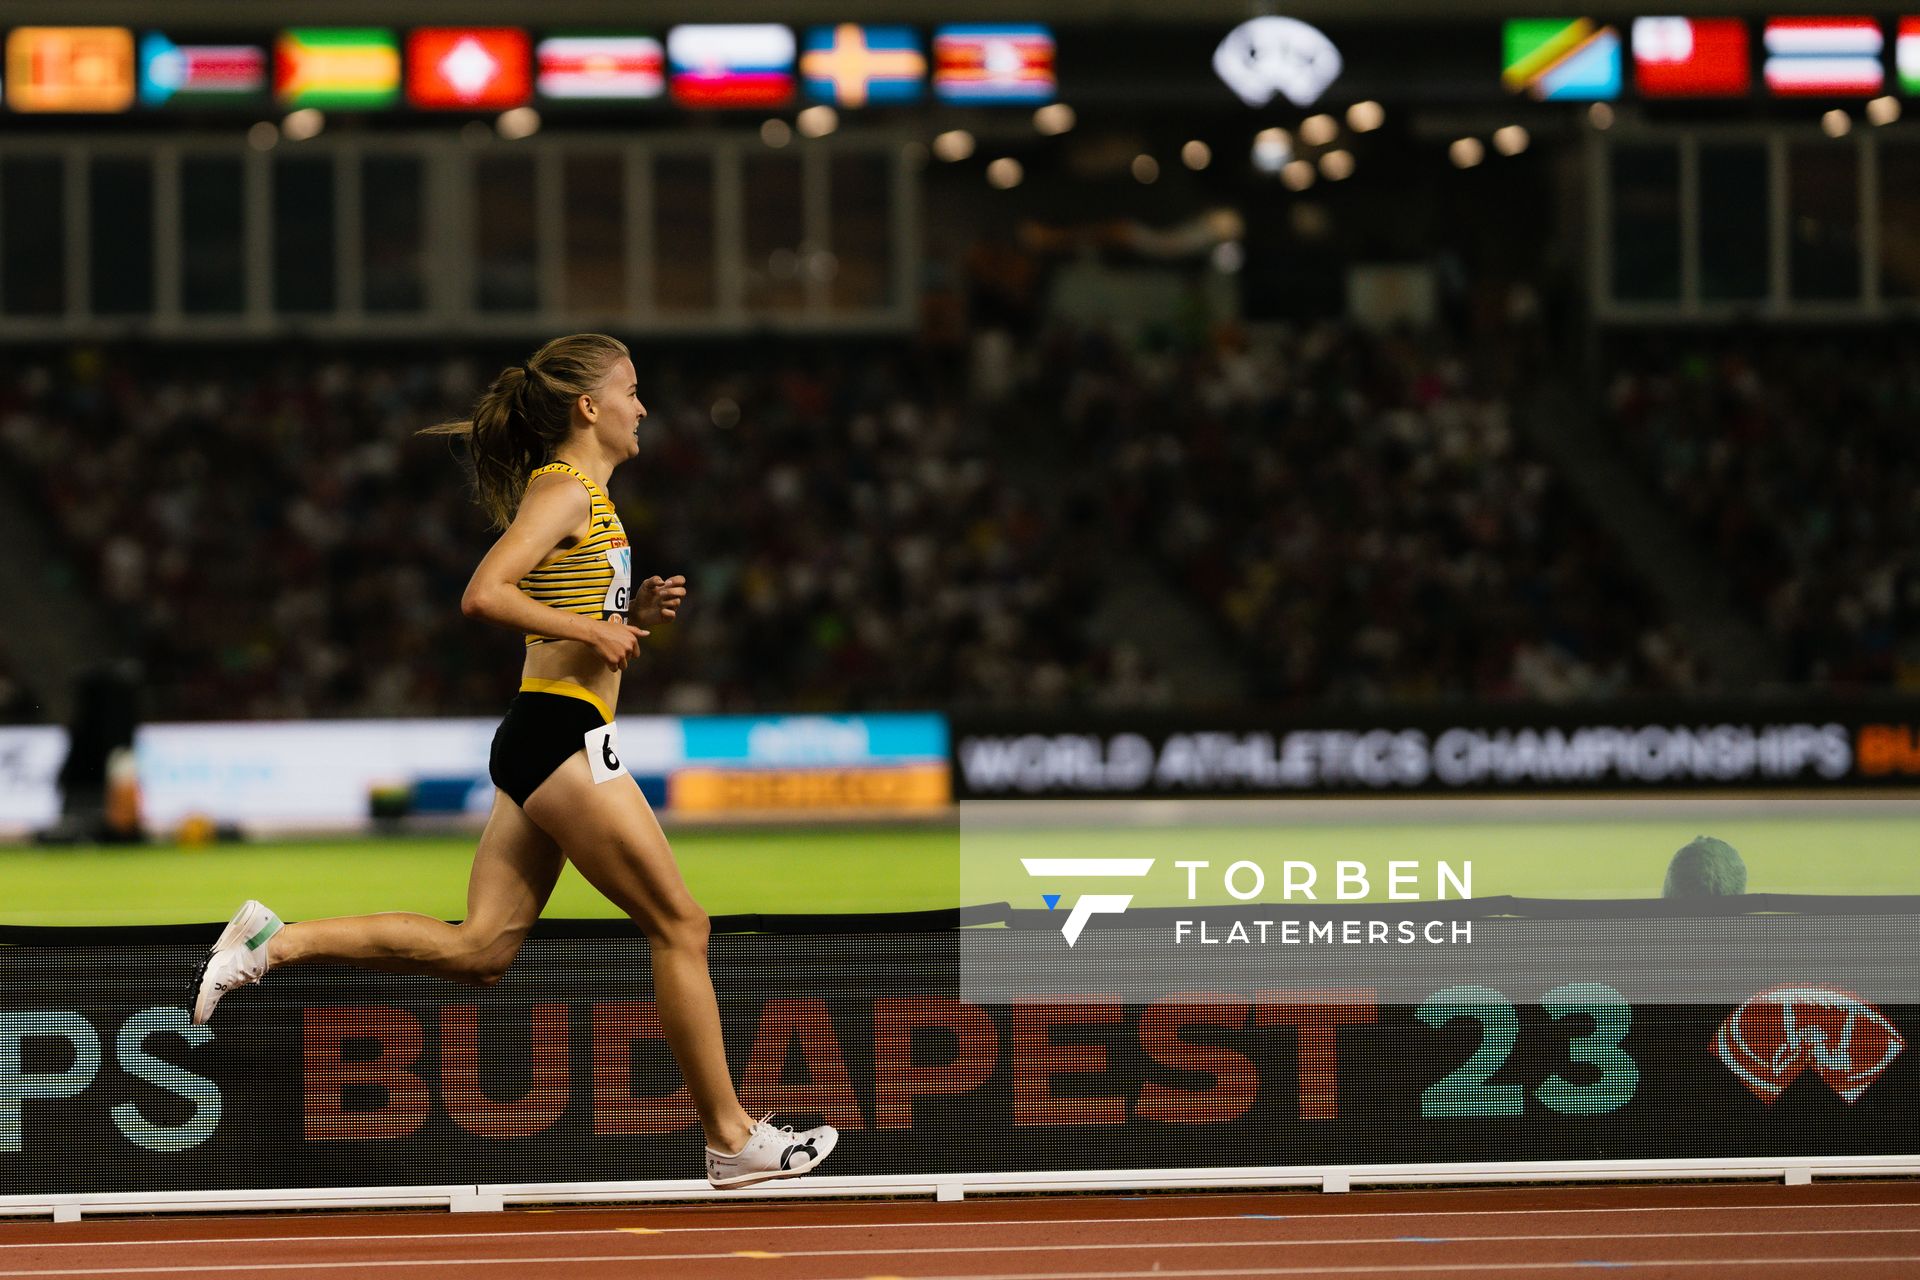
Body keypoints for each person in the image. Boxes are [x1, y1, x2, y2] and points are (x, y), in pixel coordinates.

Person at [189, 334, 836, 1189]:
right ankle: (732, 1139)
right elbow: (484, 592)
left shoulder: (590, 501)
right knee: (681, 925)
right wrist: (593, 629)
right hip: (559, 736)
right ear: (589, 408)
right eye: (633, 391)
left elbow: (557, 609)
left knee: (481, 951)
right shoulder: (566, 491)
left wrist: (628, 611)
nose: (645, 407)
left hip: (548, 732)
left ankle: (276, 942)